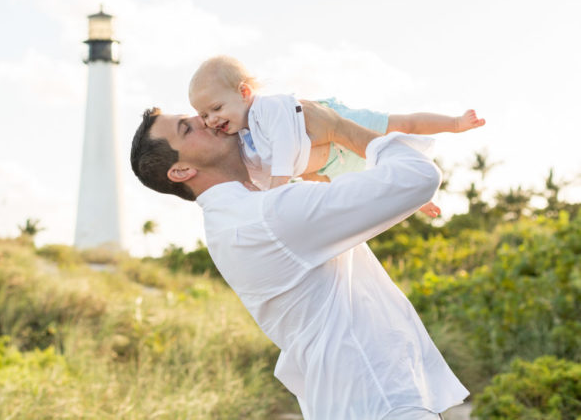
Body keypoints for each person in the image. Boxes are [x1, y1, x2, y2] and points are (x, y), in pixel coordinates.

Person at [130, 101, 469, 419]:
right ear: (181, 170)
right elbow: (419, 177)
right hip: (379, 397)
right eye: (186, 129)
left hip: (361, 398)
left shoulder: (239, 218)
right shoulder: (265, 216)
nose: (203, 119)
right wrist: (338, 127)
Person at [189, 55, 485, 217]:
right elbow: (261, 170)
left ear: (243, 93)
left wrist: (277, 188)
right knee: (372, 181)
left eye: (216, 108)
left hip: (336, 122)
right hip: (329, 162)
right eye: (204, 116)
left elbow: (283, 143)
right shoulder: (244, 137)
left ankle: (455, 123)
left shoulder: (266, 107)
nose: (212, 120)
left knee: (400, 125)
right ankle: (416, 199)